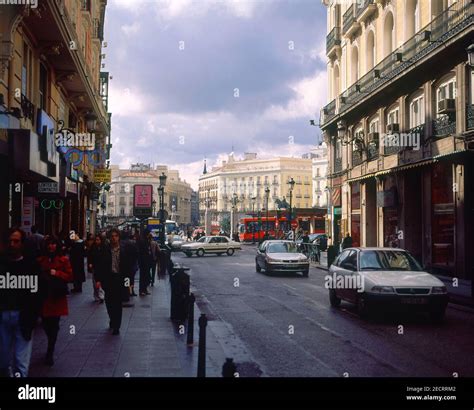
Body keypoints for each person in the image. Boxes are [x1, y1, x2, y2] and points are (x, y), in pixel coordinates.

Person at [0, 228, 43, 377]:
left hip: (23, 317)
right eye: (10, 241)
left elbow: (39, 292)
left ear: (22, 244)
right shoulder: (2, 264)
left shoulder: (31, 266)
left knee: (20, 361)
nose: (12, 244)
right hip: (3, 316)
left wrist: (34, 314)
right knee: (3, 361)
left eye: (16, 241)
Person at [37, 237, 73, 366]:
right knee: (46, 324)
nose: (51, 246)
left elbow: (69, 276)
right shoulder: (41, 261)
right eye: (49, 244)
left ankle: (50, 351)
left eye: (53, 244)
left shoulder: (63, 260)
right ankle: (50, 343)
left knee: (54, 325)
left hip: (57, 297)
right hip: (44, 297)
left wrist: (56, 273)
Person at [95, 228, 133, 335]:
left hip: (120, 279)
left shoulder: (124, 249)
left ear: (119, 237)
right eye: (112, 236)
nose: (114, 238)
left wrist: (129, 282)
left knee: (117, 303)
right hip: (108, 279)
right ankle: (112, 318)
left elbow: (128, 266)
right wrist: (98, 279)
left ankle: (117, 326)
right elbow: (99, 265)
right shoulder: (105, 249)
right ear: (109, 237)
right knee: (109, 302)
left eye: (116, 236)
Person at [88, 235, 105, 304]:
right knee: (95, 282)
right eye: (96, 240)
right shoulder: (93, 247)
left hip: (101, 267)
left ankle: (101, 296)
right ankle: (96, 295)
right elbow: (90, 256)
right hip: (95, 267)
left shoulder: (104, 247)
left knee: (100, 282)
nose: (97, 241)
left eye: (98, 240)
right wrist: (90, 263)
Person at [137, 231, 153, 296]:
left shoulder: (147, 241)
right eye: (149, 233)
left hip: (146, 261)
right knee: (143, 276)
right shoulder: (143, 241)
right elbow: (143, 251)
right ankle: (142, 290)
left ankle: (144, 289)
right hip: (143, 261)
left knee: (146, 276)